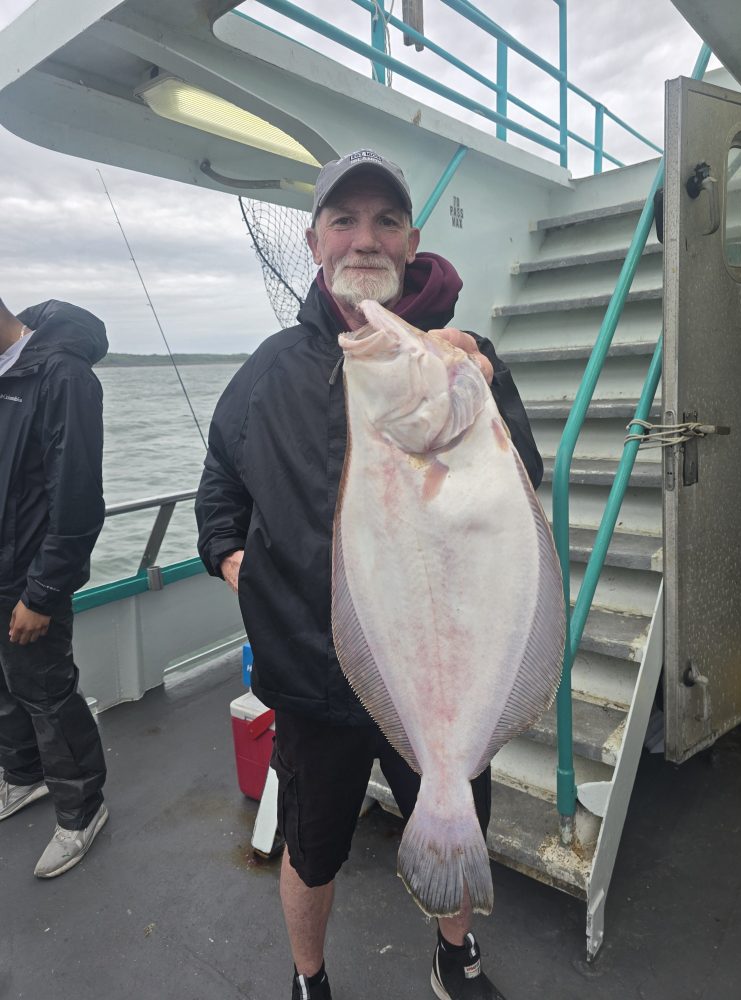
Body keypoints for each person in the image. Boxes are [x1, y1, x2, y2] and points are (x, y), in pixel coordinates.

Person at [196, 149, 543, 999]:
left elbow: (524, 485)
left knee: (459, 811)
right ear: (315, 240)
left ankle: (455, 954)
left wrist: (476, 391)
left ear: (412, 239)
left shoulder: (467, 358)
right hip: (314, 681)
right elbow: (220, 485)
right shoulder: (270, 370)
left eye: (386, 220)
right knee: (312, 850)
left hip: (446, 675)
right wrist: (231, 559)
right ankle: (309, 977)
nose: (365, 238)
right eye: (344, 220)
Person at [0, 297, 109, 878]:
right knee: (5, 685)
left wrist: (42, 592)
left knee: (46, 692)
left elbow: (77, 498)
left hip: (28, 577)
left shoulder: (62, 376)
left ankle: (82, 810)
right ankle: (21, 776)